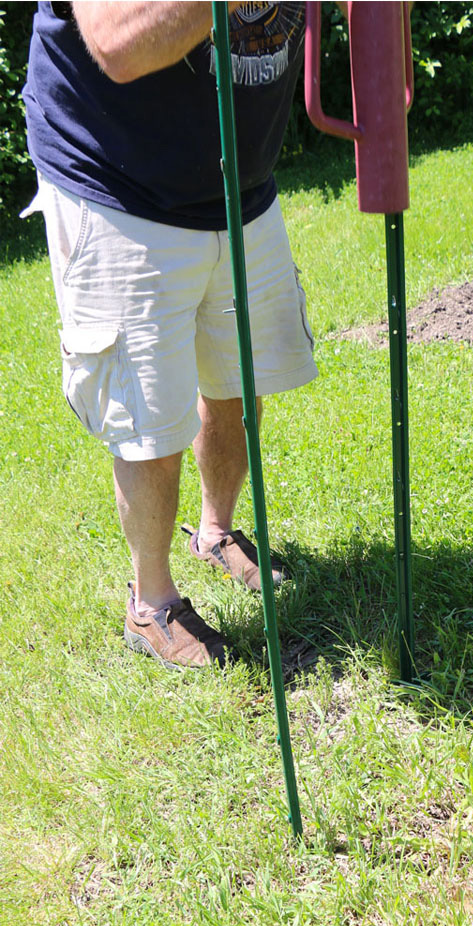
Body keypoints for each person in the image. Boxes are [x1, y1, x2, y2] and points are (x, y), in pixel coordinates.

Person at [23, 1, 317, 669]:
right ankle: (150, 603)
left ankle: (215, 532)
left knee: (238, 381)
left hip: (239, 186)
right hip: (118, 188)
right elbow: (119, 42)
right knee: (149, 423)